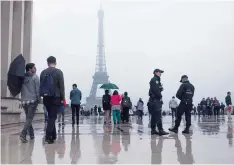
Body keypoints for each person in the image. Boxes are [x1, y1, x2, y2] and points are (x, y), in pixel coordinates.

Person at [40, 56, 65, 144]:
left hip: (46, 97)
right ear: (55, 62)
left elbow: (41, 86)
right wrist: (63, 98)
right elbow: (62, 87)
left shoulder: (43, 72)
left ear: (47, 63)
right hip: (56, 97)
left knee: (51, 116)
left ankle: (53, 136)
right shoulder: (59, 72)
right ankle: (48, 135)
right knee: (52, 117)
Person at [20, 63, 40, 143]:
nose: (35, 69)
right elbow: (37, 89)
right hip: (32, 101)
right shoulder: (35, 77)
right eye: (34, 68)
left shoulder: (22, 78)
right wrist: (38, 99)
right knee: (29, 118)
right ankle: (23, 134)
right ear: (29, 69)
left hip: (24, 101)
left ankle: (31, 135)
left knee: (28, 118)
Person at [148, 69, 169, 135]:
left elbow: (152, 90)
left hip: (153, 100)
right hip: (156, 100)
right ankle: (160, 130)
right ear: (156, 72)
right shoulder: (155, 80)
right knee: (158, 115)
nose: (160, 74)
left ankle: (153, 129)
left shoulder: (155, 80)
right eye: (160, 72)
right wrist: (160, 97)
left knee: (154, 116)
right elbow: (156, 90)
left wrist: (160, 89)